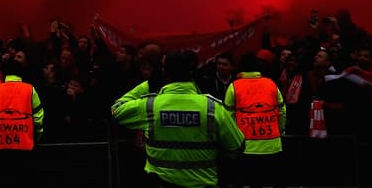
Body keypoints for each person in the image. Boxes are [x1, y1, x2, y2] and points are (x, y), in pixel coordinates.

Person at [113, 50, 245, 188]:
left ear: (164, 72)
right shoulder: (212, 107)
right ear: (191, 73)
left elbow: (117, 108)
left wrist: (149, 83)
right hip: (203, 184)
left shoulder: (150, 106)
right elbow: (237, 146)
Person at [0, 59, 44, 188]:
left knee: (0, 180)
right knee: (22, 180)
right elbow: (38, 116)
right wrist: (37, 136)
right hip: (24, 144)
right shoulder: (30, 89)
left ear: (3, 74)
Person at [223, 52, 285, 188]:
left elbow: (228, 117)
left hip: (246, 148)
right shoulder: (271, 84)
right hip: (273, 146)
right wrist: (279, 130)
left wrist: (233, 140)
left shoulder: (234, 86)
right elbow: (282, 110)